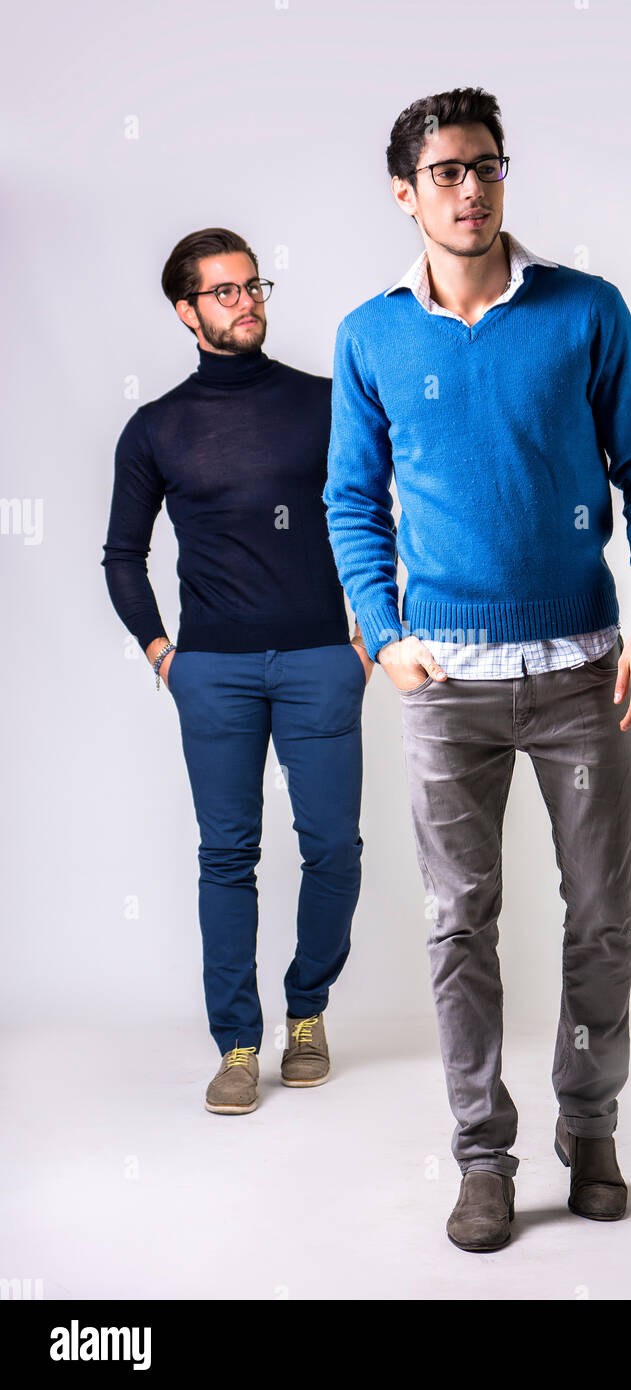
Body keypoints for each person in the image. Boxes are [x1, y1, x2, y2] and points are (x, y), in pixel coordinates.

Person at [324, 88, 631, 1250]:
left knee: (599, 916)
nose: (469, 188)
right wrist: (382, 635)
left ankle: (592, 1122)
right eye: (444, 172)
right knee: (456, 922)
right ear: (404, 192)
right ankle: (481, 1152)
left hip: (585, 671)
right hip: (446, 687)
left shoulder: (584, 310)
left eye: (485, 165)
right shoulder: (370, 335)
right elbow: (348, 504)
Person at [102, 227, 372, 1115]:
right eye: (223, 292)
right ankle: (238, 1043)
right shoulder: (157, 429)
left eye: (253, 285)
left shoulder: (328, 403)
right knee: (228, 854)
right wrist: (162, 656)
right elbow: (122, 557)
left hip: (322, 658)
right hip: (210, 669)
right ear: (187, 312)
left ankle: (307, 1011)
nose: (246, 300)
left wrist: (373, 629)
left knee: (333, 846)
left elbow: (378, 513)